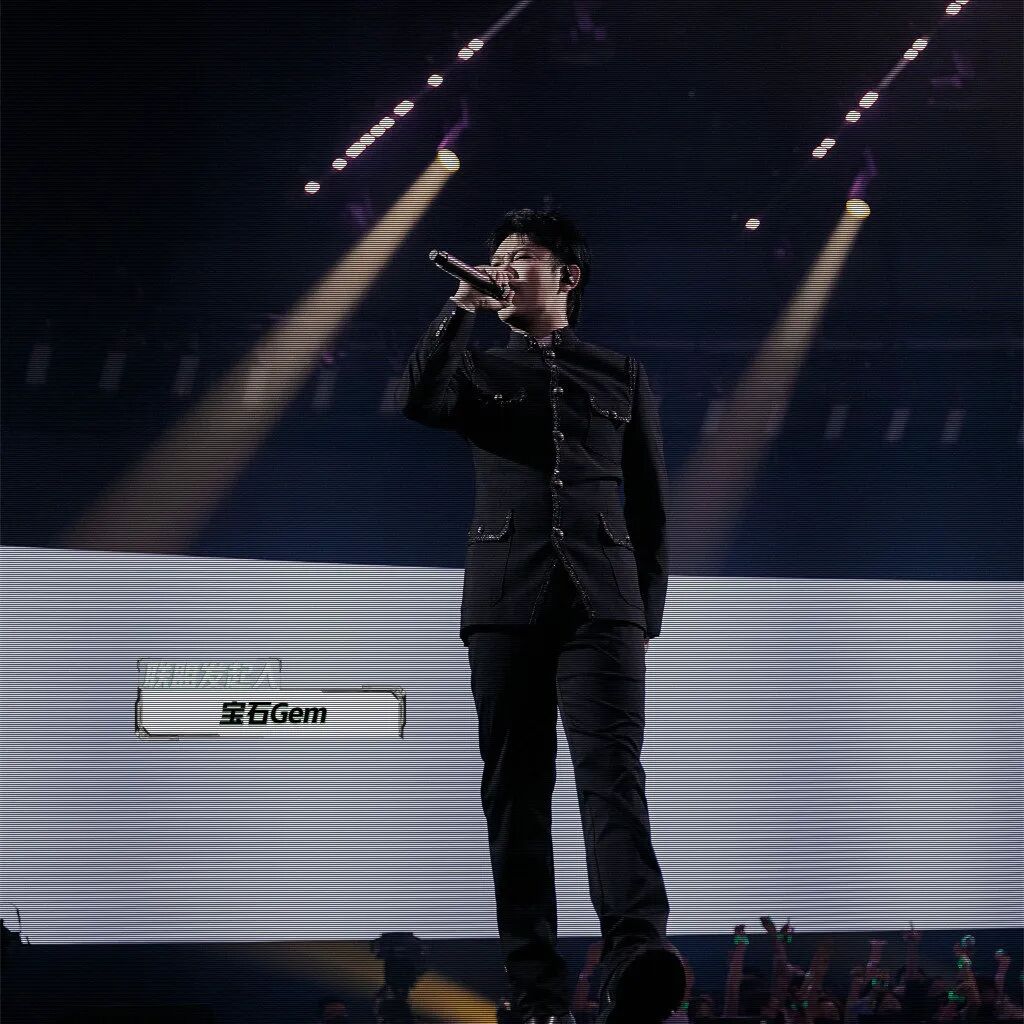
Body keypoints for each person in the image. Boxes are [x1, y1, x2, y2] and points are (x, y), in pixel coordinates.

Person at [397, 209, 685, 1024]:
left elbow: (653, 506)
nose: (502, 266)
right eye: (496, 257)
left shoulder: (620, 374)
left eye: (520, 255)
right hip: (504, 600)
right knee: (515, 790)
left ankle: (636, 953)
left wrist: (644, 615)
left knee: (612, 775)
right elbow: (418, 400)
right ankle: (535, 986)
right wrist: (462, 302)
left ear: (567, 275)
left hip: (605, 603)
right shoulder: (478, 366)